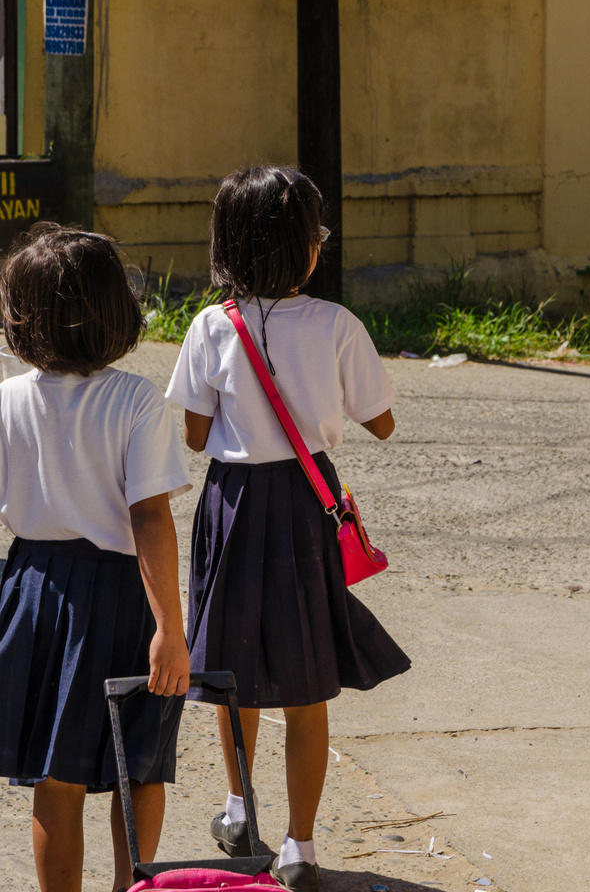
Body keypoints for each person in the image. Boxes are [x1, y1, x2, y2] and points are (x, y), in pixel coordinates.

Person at [166, 166, 411, 892]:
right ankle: (301, 847)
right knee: (307, 683)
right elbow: (383, 423)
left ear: (226, 245)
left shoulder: (212, 324)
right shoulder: (337, 324)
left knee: (230, 668)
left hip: (233, 503)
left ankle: (238, 809)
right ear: (307, 247)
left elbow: (193, 431)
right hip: (307, 505)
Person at [0, 224, 192, 892]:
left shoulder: (6, 401)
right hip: (121, 596)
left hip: (32, 589)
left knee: (57, 776)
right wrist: (170, 625)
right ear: (117, 309)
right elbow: (149, 515)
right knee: (139, 764)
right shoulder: (135, 400)